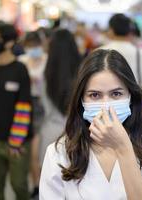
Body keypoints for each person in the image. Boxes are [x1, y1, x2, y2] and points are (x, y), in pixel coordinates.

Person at [39, 49, 142, 200]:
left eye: (116, 94)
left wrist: (123, 148)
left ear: (130, 96)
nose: (106, 105)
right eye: (95, 95)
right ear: (81, 101)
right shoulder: (58, 153)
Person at [0, 23, 32, 200]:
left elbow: (24, 106)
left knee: (19, 185)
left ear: (10, 42)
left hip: (17, 141)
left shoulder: (20, 69)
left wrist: (16, 140)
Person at [40, 29, 81, 164]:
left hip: (50, 131)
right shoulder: (83, 73)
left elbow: (43, 106)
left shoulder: (45, 73)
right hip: (78, 134)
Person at [100, 13, 142, 102]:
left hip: (106, 105)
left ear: (110, 30)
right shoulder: (141, 53)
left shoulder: (99, 52)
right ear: (130, 31)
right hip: (135, 105)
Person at [19, 31, 47, 199]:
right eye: (29, 46)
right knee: (30, 151)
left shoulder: (48, 60)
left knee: (39, 149)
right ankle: (35, 184)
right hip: (24, 105)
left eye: (35, 46)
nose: (33, 49)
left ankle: (41, 184)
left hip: (43, 107)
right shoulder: (21, 61)